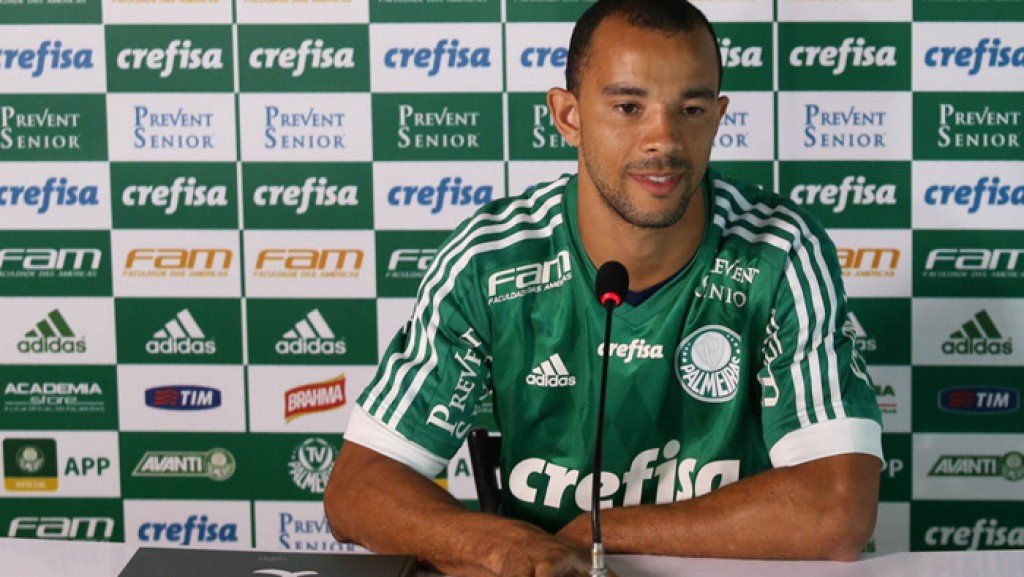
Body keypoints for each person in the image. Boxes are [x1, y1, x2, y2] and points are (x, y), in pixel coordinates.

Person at [324, 1, 883, 574]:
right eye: (628, 107)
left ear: (717, 118)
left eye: (690, 109)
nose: (663, 139)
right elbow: (357, 488)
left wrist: (590, 536)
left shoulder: (779, 249)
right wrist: (508, 548)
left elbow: (838, 509)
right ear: (568, 116)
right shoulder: (491, 259)